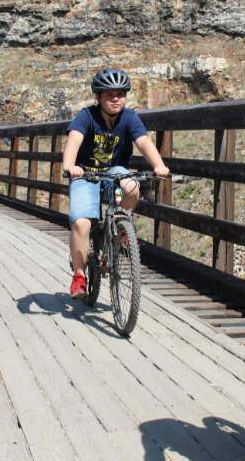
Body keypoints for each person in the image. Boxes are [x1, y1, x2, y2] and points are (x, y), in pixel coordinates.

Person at [62, 68, 171, 299]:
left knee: (131, 185)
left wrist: (159, 165)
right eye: (109, 94)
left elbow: (144, 142)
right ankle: (79, 276)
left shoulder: (129, 117)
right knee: (82, 224)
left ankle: (123, 225)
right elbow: (74, 140)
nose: (115, 99)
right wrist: (71, 165)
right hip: (86, 174)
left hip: (114, 173)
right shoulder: (86, 116)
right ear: (98, 97)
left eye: (120, 94)